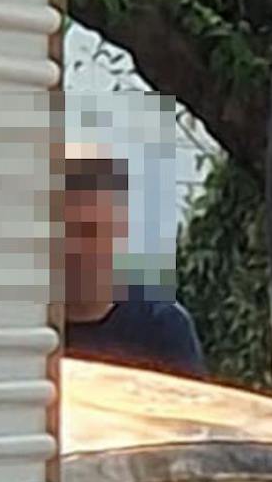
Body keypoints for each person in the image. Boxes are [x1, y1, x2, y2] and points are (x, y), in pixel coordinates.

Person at [64, 149, 208, 377]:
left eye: (90, 230)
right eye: (66, 231)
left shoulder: (161, 325)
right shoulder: (26, 329)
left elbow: (190, 406)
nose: (77, 246)